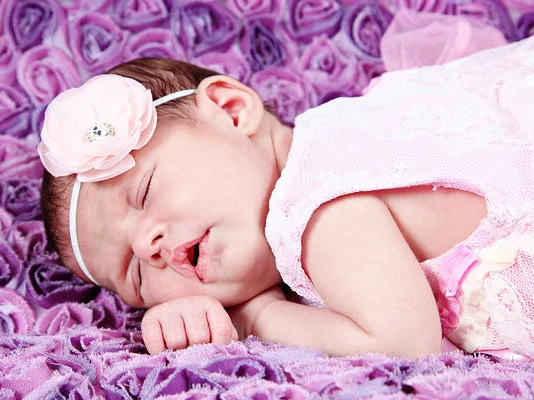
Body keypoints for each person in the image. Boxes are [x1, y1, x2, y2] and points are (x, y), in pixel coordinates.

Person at [38, 35, 534, 360]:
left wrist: (253, 315)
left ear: (232, 112)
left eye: (145, 192)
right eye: (137, 276)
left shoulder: (316, 203)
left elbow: (403, 345)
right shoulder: (344, 126)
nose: (149, 245)